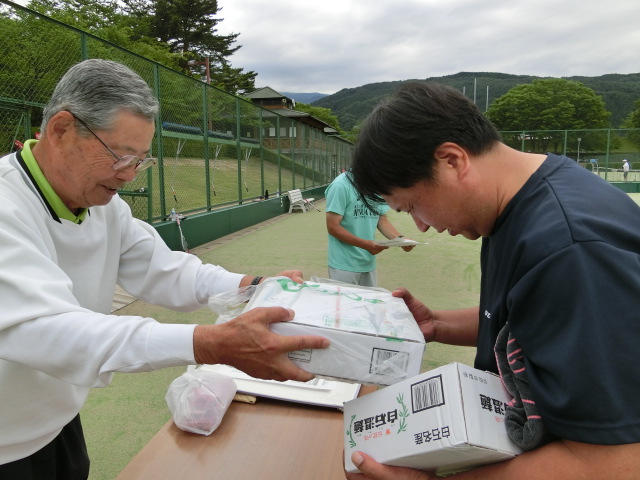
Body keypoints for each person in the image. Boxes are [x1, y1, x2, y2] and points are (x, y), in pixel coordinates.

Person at [0, 59, 330, 479]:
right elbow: (49, 330)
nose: (129, 175)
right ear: (61, 130)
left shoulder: (104, 206)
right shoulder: (7, 206)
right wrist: (210, 343)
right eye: (120, 157)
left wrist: (255, 286)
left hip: (57, 422)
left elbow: (168, 270)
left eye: (140, 160)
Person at [345, 81, 640, 479]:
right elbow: (536, 321)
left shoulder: (572, 250)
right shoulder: (516, 204)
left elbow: (615, 463)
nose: (421, 225)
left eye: (412, 206)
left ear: (452, 160)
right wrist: (437, 324)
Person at [325, 170, 414, 287]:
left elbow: (381, 219)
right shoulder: (340, 185)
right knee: (346, 300)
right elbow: (333, 227)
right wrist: (365, 245)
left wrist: (400, 239)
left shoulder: (376, 186)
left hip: (368, 264)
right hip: (343, 266)